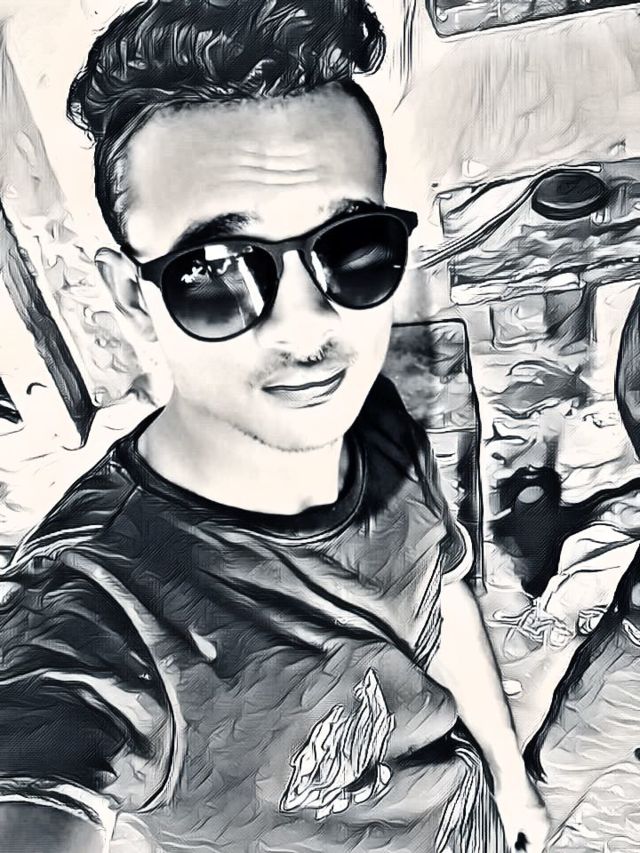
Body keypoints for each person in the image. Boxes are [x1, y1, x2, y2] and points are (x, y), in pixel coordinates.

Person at [0, 1, 549, 851]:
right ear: (128, 299)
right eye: (213, 269)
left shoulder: (372, 416)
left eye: (352, 245)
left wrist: (511, 783)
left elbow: (440, 596)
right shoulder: (95, 606)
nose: (308, 326)